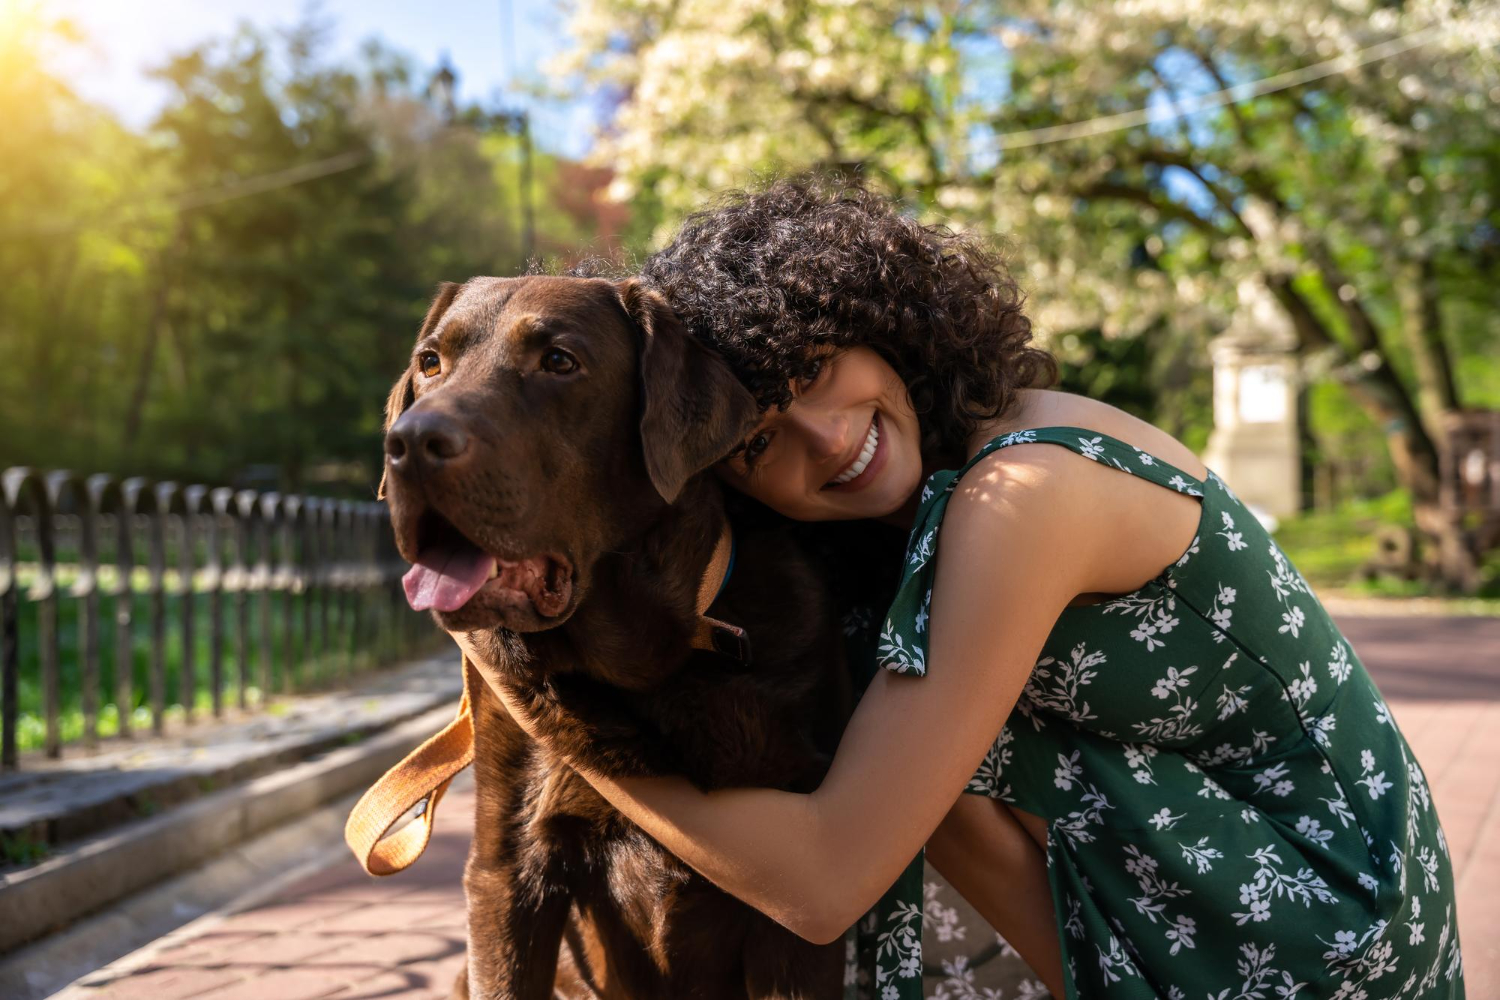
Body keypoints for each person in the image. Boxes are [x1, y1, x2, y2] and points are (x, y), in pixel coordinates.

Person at [451, 179, 1465, 999]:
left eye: (815, 367)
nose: (826, 435)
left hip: (1317, 915)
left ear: (871, 315)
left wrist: (532, 688)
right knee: (902, 757)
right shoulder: (899, 519)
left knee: (879, 795)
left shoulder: (1026, 486)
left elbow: (822, 879)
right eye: (759, 440)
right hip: (1165, 884)